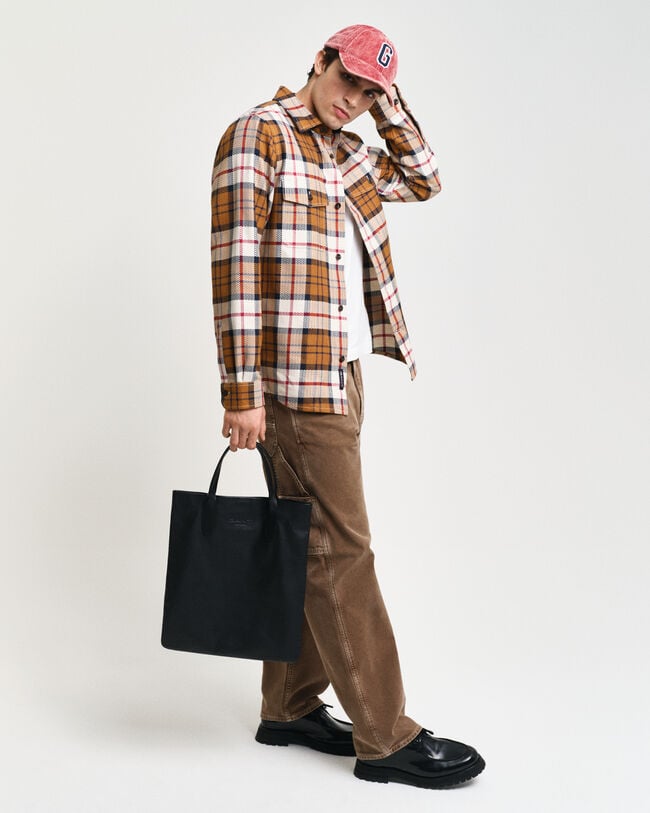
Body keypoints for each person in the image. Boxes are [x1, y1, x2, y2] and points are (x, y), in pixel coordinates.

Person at [210, 24, 485, 789]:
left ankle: (290, 704)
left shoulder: (349, 151)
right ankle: (385, 734)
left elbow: (425, 178)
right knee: (344, 549)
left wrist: (386, 99)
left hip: (344, 371)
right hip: (293, 385)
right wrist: (242, 394)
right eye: (348, 80)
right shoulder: (259, 136)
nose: (353, 100)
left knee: (305, 541)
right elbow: (234, 269)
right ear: (319, 60)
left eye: (369, 93)